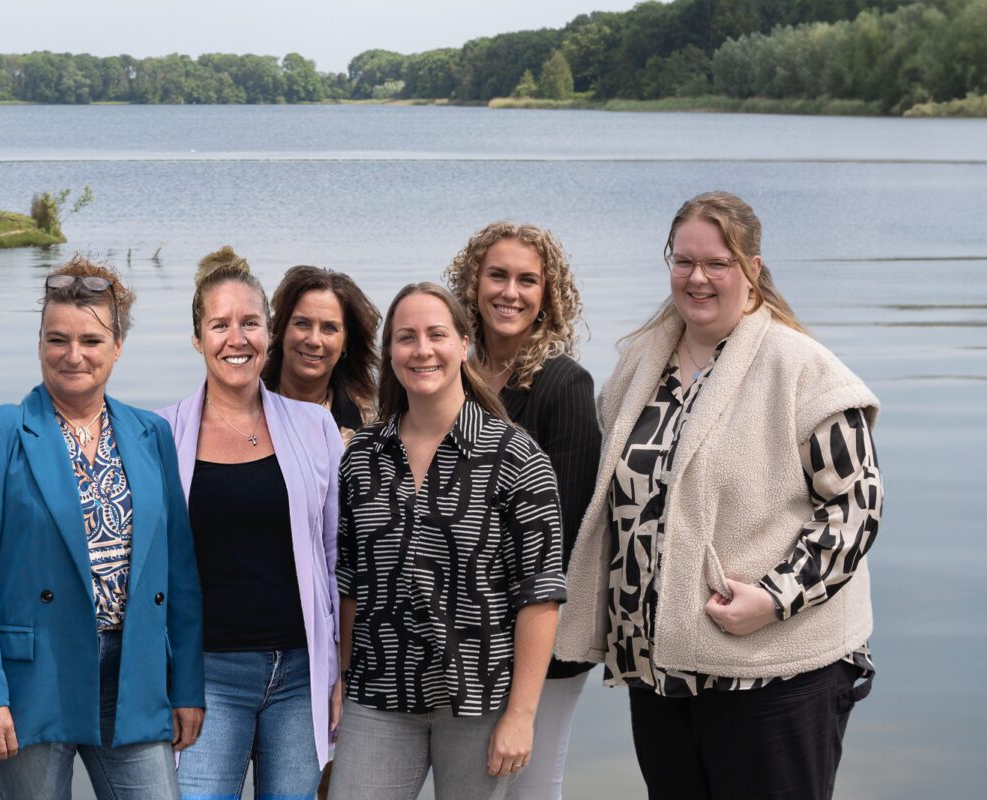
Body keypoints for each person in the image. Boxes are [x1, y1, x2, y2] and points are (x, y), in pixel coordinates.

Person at [554, 191, 883, 800]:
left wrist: (774, 597)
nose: (697, 278)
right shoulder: (638, 365)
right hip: (660, 673)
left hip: (773, 675)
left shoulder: (803, 368)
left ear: (752, 269)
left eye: (717, 264)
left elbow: (857, 508)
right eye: (683, 261)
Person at [0, 256, 205, 800]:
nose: (73, 354)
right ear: (39, 344)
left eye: (91, 339)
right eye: (57, 339)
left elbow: (179, 571)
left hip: (133, 674)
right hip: (34, 680)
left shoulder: (151, 433)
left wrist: (187, 688)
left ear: (117, 346)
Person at [329, 282, 565, 800]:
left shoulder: (516, 458)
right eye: (406, 337)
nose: (422, 350)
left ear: (463, 343)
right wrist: (341, 680)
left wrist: (522, 715)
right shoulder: (362, 457)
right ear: (389, 352)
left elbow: (540, 595)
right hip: (379, 697)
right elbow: (349, 581)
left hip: (479, 701)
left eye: (436, 334)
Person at [159, 247, 343, 799]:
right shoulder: (161, 435)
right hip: (207, 676)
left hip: (299, 674)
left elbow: (338, 559)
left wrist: (338, 672)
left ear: (271, 333)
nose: (236, 339)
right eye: (220, 324)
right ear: (198, 338)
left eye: (250, 323)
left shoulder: (316, 427)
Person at [444, 222, 600, 800]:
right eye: (498, 276)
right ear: (472, 283)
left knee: (531, 784)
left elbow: (560, 534)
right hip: (461, 628)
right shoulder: (449, 376)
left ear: (548, 296)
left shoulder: (564, 385)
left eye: (528, 280)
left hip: (541, 634)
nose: (510, 292)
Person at [261, 264, 382, 442]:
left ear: (345, 343)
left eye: (329, 328)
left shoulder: (367, 424)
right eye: (302, 323)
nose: (314, 340)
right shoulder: (244, 406)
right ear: (280, 330)